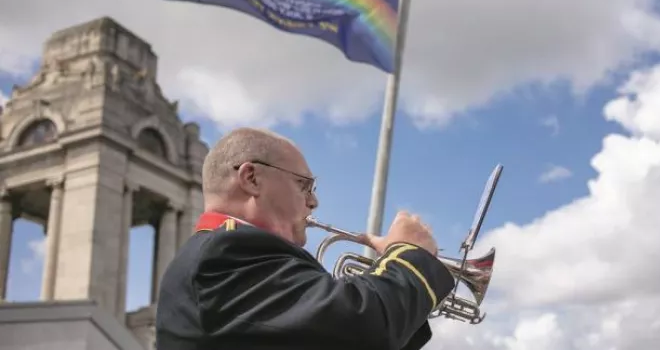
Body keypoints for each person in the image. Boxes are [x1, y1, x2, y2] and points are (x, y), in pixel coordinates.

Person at [155, 127, 456, 350]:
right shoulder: (226, 251)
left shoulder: (228, 254)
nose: (313, 202)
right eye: (304, 186)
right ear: (252, 178)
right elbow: (360, 327)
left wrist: (396, 292)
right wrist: (408, 256)